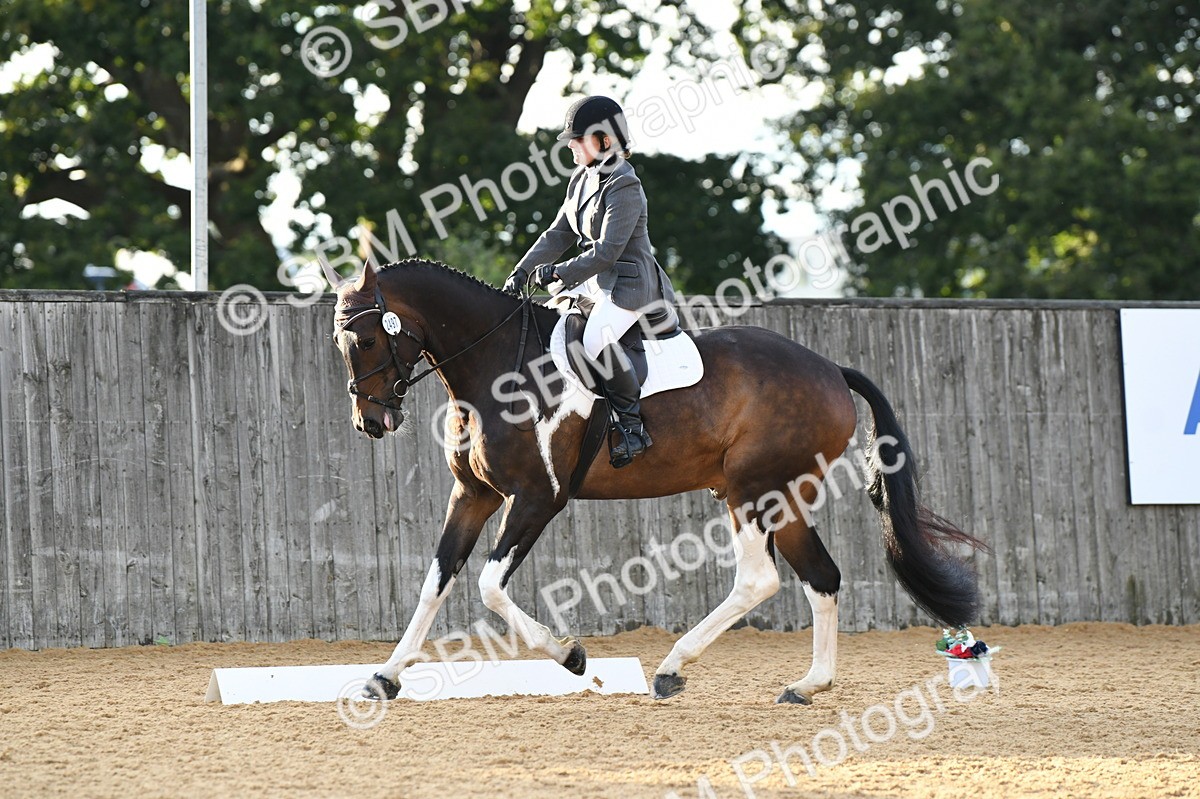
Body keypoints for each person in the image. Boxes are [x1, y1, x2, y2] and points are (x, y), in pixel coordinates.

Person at [502, 95, 678, 468]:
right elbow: (557, 235)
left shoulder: (625, 186)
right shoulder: (582, 179)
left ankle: (633, 430)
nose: (570, 145)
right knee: (547, 328)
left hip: (629, 285)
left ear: (605, 141)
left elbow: (608, 251)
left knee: (594, 339)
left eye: (578, 138)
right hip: (594, 281)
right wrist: (521, 271)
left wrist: (559, 273)